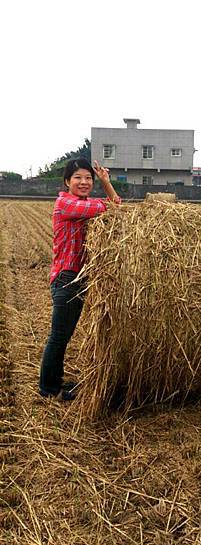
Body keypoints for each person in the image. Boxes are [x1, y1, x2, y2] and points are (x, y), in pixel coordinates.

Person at [39, 157, 121, 401]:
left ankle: (54, 382)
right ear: (67, 181)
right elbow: (110, 208)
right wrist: (108, 202)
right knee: (59, 335)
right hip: (66, 277)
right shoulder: (65, 203)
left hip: (79, 278)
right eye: (78, 178)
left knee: (65, 334)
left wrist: (106, 181)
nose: (84, 182)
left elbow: (116, 203)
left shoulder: (87, 202)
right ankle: (48, 389)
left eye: (88, 178)